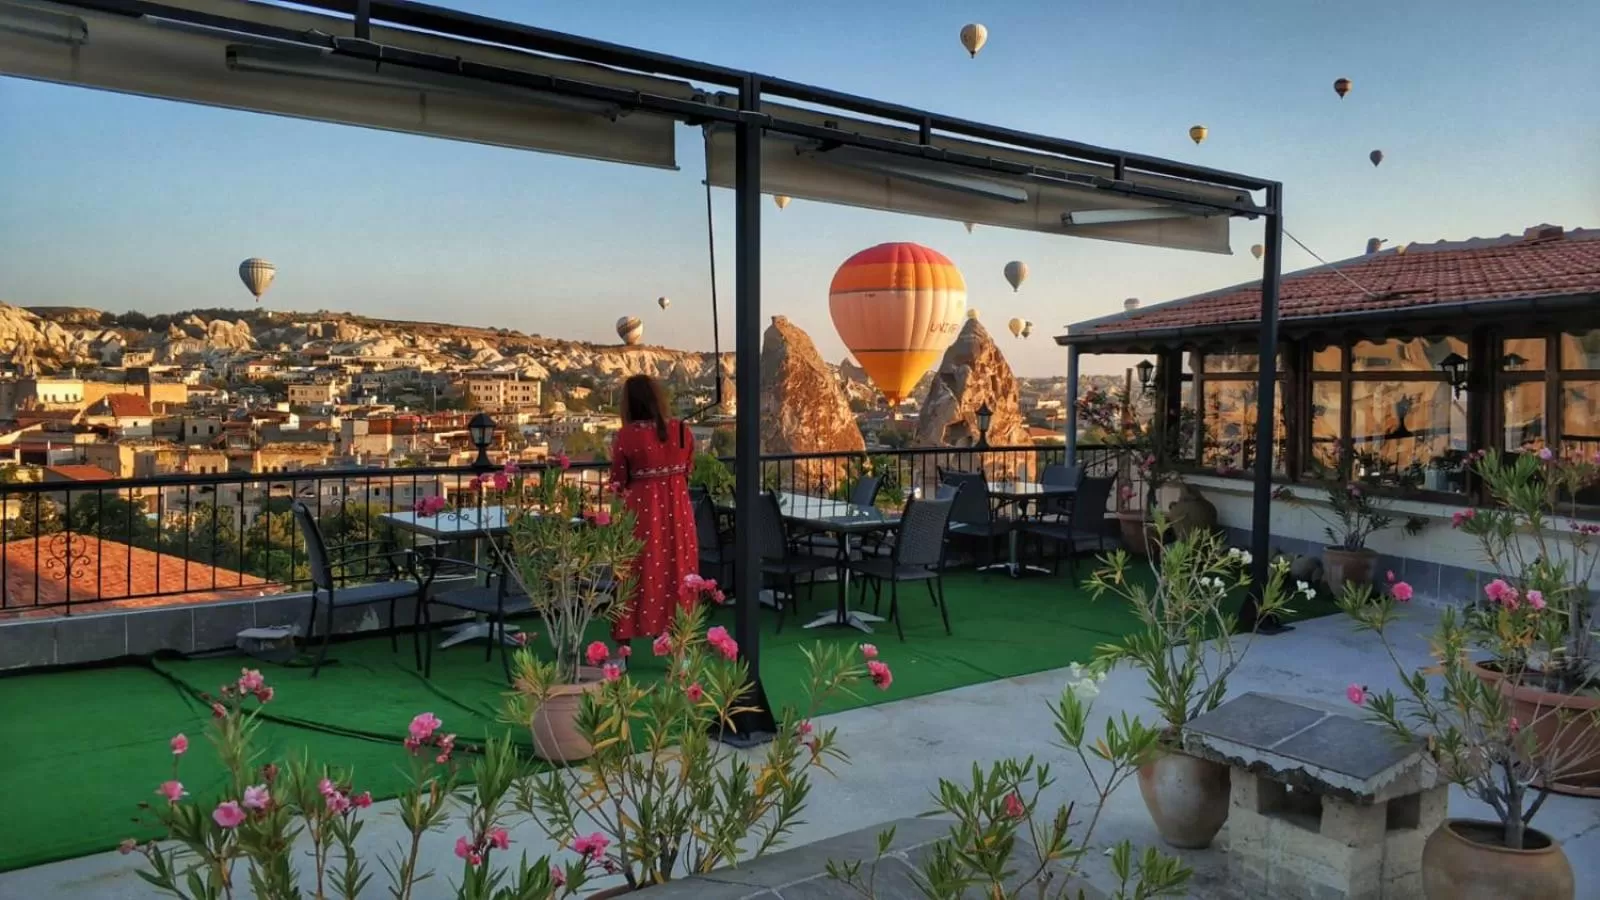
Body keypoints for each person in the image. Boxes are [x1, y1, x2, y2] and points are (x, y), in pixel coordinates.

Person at [608, 375, 699, 656]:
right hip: (678, 514)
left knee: (633, 573)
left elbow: (617, 481)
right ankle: (680, 653)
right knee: (676, 572)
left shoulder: (626, 436)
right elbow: (688, 470)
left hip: (641, 514)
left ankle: (623, 652)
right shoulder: (682, 430)